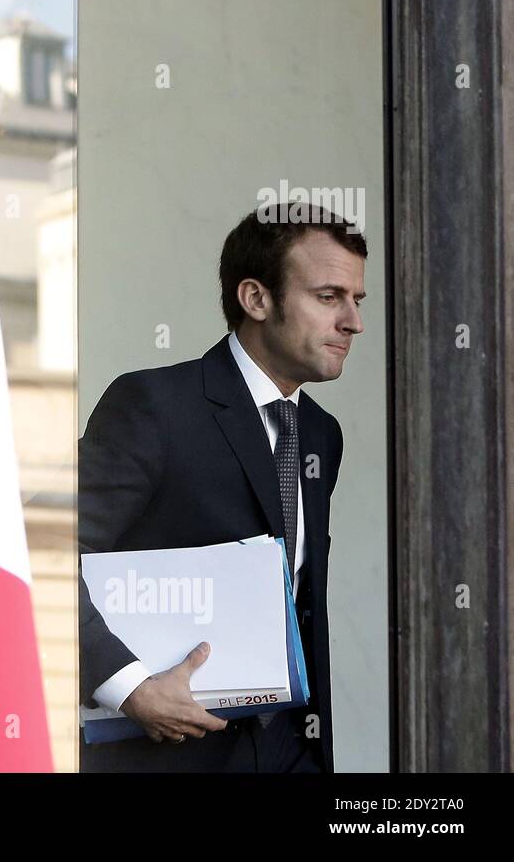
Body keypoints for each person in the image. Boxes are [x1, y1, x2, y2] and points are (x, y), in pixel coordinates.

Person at [78, 202, 367, 772]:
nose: (353, 321)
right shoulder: (155, 406)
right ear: (256, 299)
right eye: (328, 297)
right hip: (170, 754)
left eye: (357, 300)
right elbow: (49, 556)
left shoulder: (320, 434)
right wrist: (130, 686)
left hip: (290, 752)